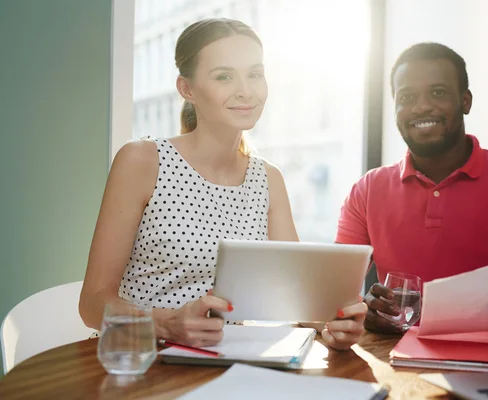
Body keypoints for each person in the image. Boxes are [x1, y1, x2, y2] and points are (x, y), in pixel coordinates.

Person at [80, 18, 366, 351]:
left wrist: (333, 322)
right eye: (224, 76)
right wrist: (167, 323)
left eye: (255, 74)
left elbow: (297, 299)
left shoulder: (268, 179)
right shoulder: (142, 161)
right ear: (187, 89)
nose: (246, 89)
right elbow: (92, 303)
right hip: (139, 359)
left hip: (225, 362)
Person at [336, 42, 488, 352]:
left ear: (465, 101)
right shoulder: (366, 190)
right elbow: (336, 297)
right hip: (398, 362)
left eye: (437, 92)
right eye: (407, 97)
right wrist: (365, 312)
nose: (421, 107)